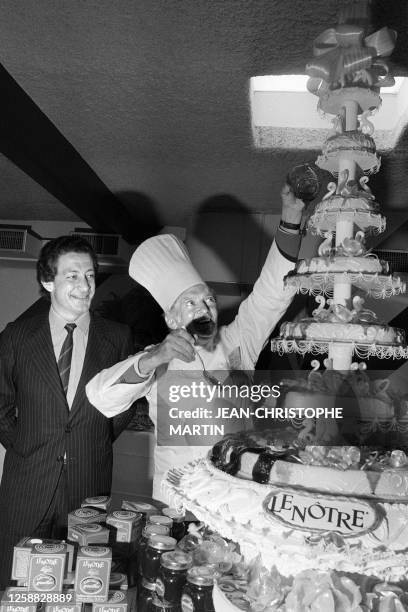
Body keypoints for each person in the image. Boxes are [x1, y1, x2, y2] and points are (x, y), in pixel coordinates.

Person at [86, 185, 304, 500]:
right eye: (189, 302)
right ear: (171, 320)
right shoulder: (156, 362)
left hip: (237, 500)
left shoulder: (239, 338)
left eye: (208, 299)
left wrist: (291, 221)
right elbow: (100, 397)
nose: (204, 307)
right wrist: (152, 359)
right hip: (177, 504)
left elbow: (271, 293)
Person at [0, 235, 136, 588]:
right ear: (48, 281)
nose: (85, 285)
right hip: (27, 481)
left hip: (88, 481)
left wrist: (92, 439)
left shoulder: (118, 337)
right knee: (17, 581)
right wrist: (29, 443)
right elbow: (0, 405)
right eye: (72, 276)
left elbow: (120, 408)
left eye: (90, 275)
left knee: (82, 581)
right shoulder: (16, 336)